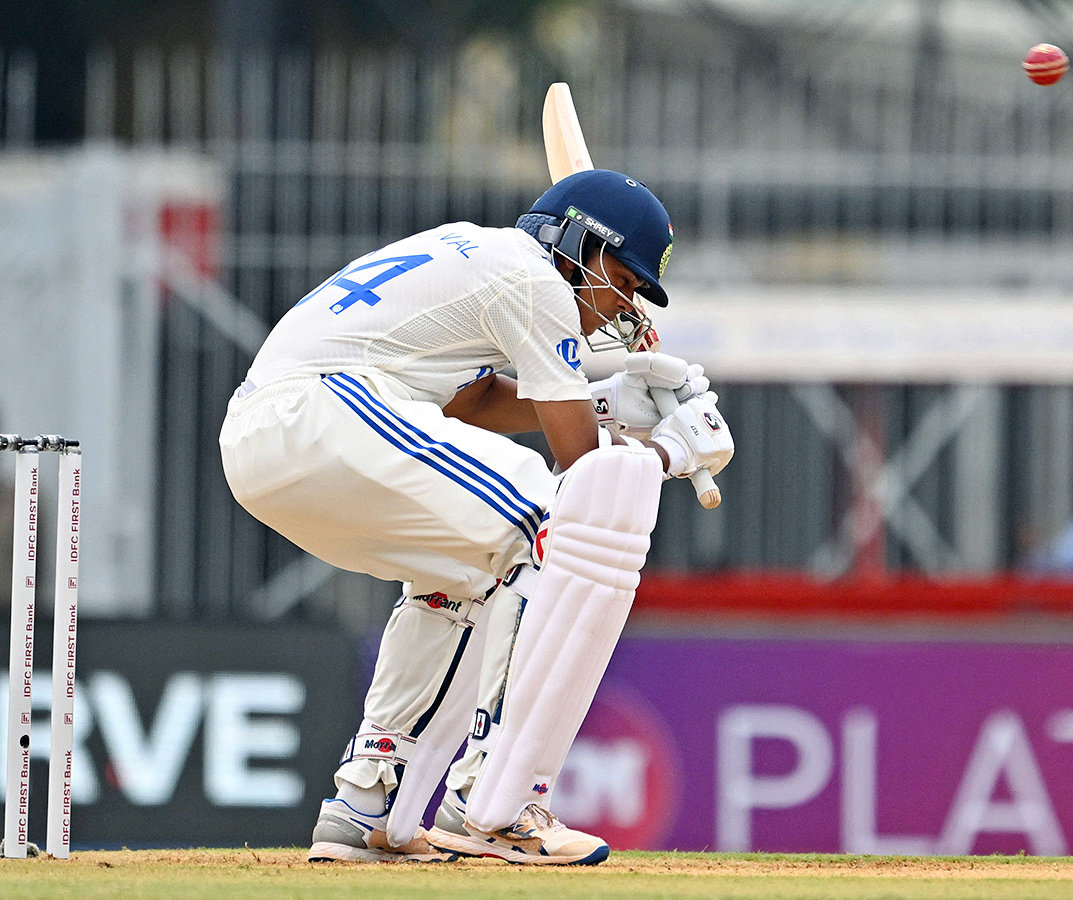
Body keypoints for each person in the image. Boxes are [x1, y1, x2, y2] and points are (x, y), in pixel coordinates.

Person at [219, 169, 733, 865]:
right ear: (579, 241)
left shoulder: (484, 259)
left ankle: (369, 802)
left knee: (467, 566)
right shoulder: (537, 282)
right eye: (625, 276)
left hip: (273, 437)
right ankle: (494, 797)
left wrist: (610, 403)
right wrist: (667, 448)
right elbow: (581, 473)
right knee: (550, 520)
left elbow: (468, 401)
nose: (626, 301)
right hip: (323, 412)